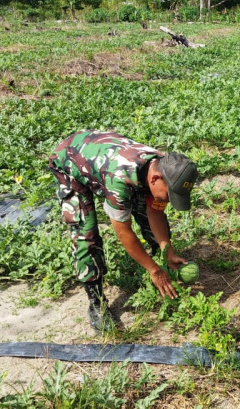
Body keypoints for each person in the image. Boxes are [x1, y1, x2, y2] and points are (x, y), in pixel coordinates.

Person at [48, 130, 198, 331]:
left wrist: (167, 250)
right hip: (70, 160)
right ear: (155, 179)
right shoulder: (119, 180)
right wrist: (153, 270)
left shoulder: (165, 166)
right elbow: (124, 233)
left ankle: (159, 264)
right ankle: (96, 302)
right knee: (86, 233)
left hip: (105, 156)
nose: (170, 200)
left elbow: (155, 212)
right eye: (170, 194)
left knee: (146, 210)